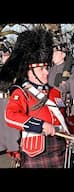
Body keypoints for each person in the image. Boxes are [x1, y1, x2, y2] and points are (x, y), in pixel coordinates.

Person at [0, 28, 74, 168]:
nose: (46, 72)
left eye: (47, 67)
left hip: (60, 150)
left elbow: (64, 121)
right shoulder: (21, 92)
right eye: (41, 69)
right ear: (29, 71)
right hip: (36, 152)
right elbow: (10, 116)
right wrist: (40, 125)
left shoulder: (55, 93)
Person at [0, 38, 21, 168]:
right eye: (3, 55)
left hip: (12, 106)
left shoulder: (19, 73)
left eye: (7, 55)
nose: (4, 57)